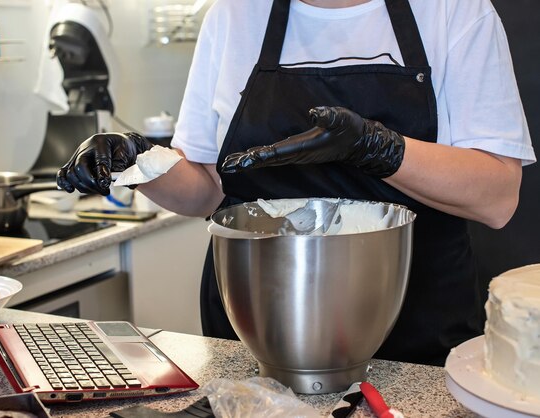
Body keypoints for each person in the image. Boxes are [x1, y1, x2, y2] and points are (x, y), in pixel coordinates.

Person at [56, 0, 536, 366]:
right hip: (254, 329)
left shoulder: (453, 10)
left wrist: (377, 146)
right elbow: (206, 187)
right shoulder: (236, 13)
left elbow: (496, 197)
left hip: (410, 326)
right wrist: (138, 160)